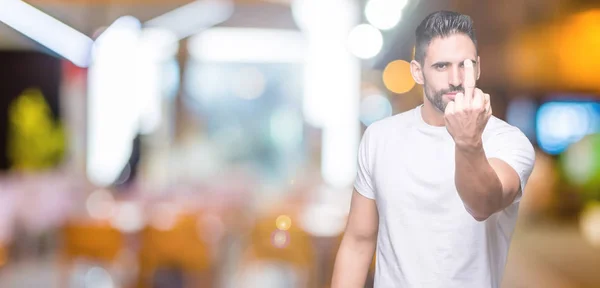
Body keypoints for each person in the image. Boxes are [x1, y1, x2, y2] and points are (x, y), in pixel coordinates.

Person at [331, 10, 535, 288]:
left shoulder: (508, 140)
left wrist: (468, 140)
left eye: (465, 64)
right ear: (418, 72)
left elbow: (483, 204)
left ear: (478, 68)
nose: (455, 78)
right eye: (441, 66)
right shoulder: (379, 138)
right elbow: (358, 242)